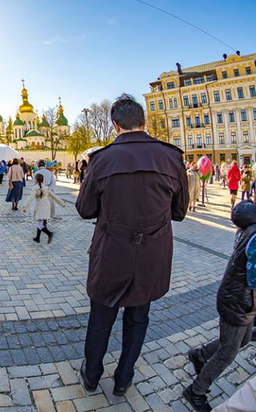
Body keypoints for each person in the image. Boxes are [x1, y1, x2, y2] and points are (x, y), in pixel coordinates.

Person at [75, 94, 188, 397]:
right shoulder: (171, 157)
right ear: (144, 122)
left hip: (111, 253)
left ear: (115, 125)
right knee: (138, 319)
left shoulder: (102, 159)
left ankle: (91, 375)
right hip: (152, 255)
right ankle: (124, 378)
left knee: (101, 319)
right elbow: (179, 212)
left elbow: (85, 209)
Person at [184, 200, 256, 411]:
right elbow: (253, 277)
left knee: (242, 340)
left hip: (243, 300)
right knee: (227, 352)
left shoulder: (251, 227)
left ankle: (200, 355)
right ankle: (196, 391)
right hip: (237, 301)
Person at [23, 173, 66, 243]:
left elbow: (30, 198)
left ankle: (50, 234)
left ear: (36, 180)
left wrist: (25, 207)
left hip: (40, 207)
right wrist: (62, 203)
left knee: (39, 223)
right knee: (41, 222)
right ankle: (37, 238)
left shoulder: (35, 188)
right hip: (47, 207)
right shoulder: (46, 188)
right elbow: (54, 196)